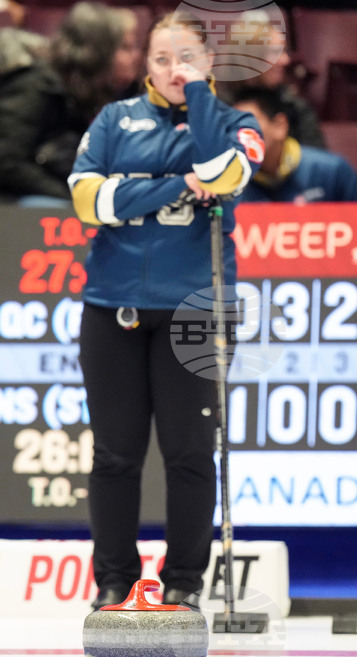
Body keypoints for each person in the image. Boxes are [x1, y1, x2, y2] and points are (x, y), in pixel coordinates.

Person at [68, 11, 265, 610]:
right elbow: (90, 201)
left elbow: (222, 173)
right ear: (145, 65)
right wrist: (177, 186)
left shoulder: (236, 123)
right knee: (114, 454)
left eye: (186, 57)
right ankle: (114, 582)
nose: (173, 69)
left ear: (208, 61)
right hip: (113, 306)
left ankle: (183, 582)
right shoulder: (114, 119)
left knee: (189, 453)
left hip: (196, 309)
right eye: (161, 59)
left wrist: (197, 98)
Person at [0, 2, 141, 206]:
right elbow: (6, 164)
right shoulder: (35, 86)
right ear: (96, 54)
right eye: (126, 48)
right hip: (2, 202)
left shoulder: (104, 94)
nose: (135, 56)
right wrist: (72, 197)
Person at [233, 85, 357, 203]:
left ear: (280, 126)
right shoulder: (230, 184)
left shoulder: (334, 171)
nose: (240, 134)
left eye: (248, 123)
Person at [217, 10, 325, 149]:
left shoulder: (293, 107)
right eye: (275, 52)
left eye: (284, 51)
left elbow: (316, 157)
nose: (286, 60)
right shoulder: (217, 108)